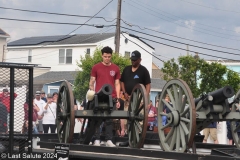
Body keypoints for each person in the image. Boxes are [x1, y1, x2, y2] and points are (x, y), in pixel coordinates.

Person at [89, 46, 121, 147]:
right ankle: (97, 139)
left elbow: (117, 84)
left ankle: (109, 140)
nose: (107, 58)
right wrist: (92, 91)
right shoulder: (96, 67)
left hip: (111, 96)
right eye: (105, 56)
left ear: (111, 56)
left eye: (109, 56)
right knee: (97, 118)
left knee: (109, 119)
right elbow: (92, 81)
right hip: (99, 96)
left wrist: (118, 98)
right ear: (102, 56)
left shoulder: (116, 68)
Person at [119, 50, 151, 147]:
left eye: (135, 60)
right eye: (132, 59)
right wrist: (124, 92)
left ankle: (138, 140)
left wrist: (144, 96)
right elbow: (122, 82)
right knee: (128, 119)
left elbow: (148, 85)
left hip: (139, 98)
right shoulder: (126, 69)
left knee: (139, 120)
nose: (133, 61)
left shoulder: (144, 70)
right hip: (128, 98)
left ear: (139, 60)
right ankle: (129, 140)